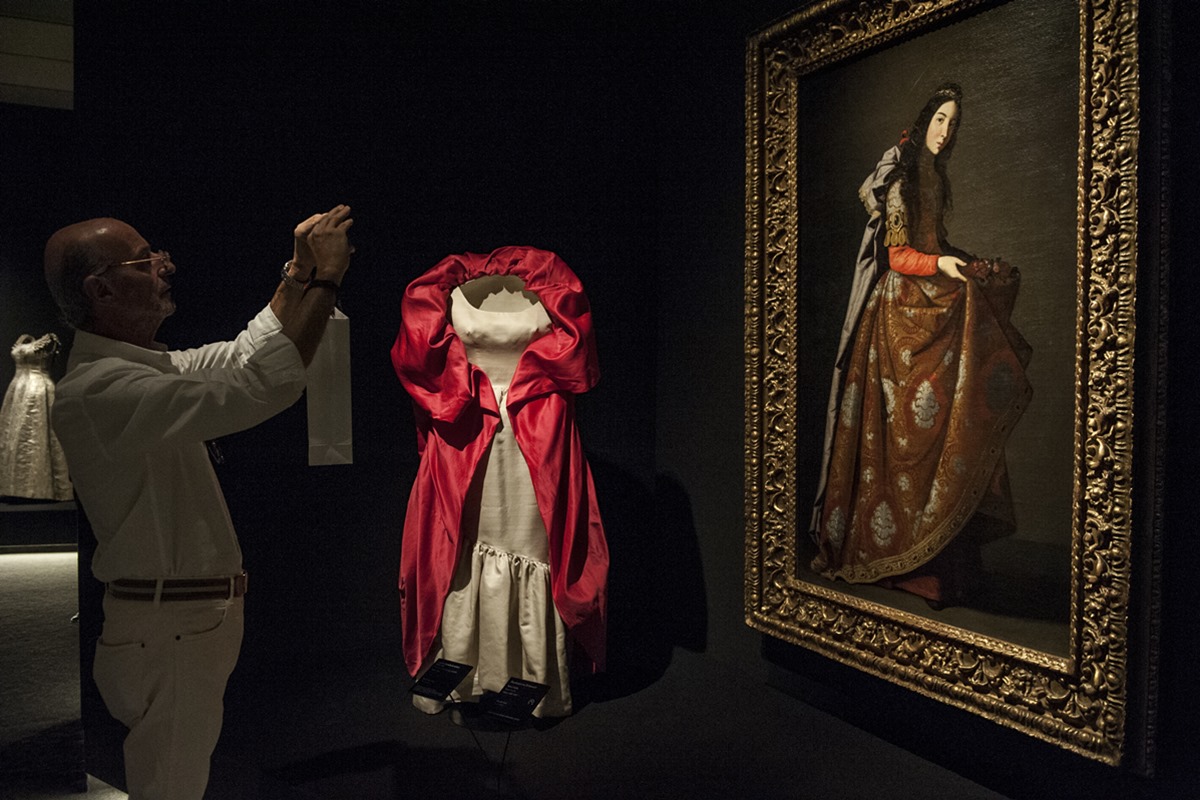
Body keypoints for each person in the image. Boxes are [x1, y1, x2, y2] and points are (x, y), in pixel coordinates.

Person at [44, 205, 354, 800]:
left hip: (176, 624)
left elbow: (244, 355)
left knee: (175, 778)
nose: (166, 265)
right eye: (145, 260)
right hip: (170, 630)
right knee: (170, 786)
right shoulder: (100, 391)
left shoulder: (137, 374)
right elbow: (261, 385)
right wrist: (329, 279)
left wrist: (298, 272)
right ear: (101, 289)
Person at [809, 83, 1033, 609]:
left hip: (928, 292)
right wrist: (942, 265)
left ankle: (942, 552)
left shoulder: (936, 174)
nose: (945, 131)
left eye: (953, 123)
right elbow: (898, 255)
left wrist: (968, 261)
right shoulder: (903, 176)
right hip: (898, 314)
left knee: (953, 416)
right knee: (907, 436)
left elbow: (933, 245)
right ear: (924, 118)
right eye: (939, 119)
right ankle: (897, 554)